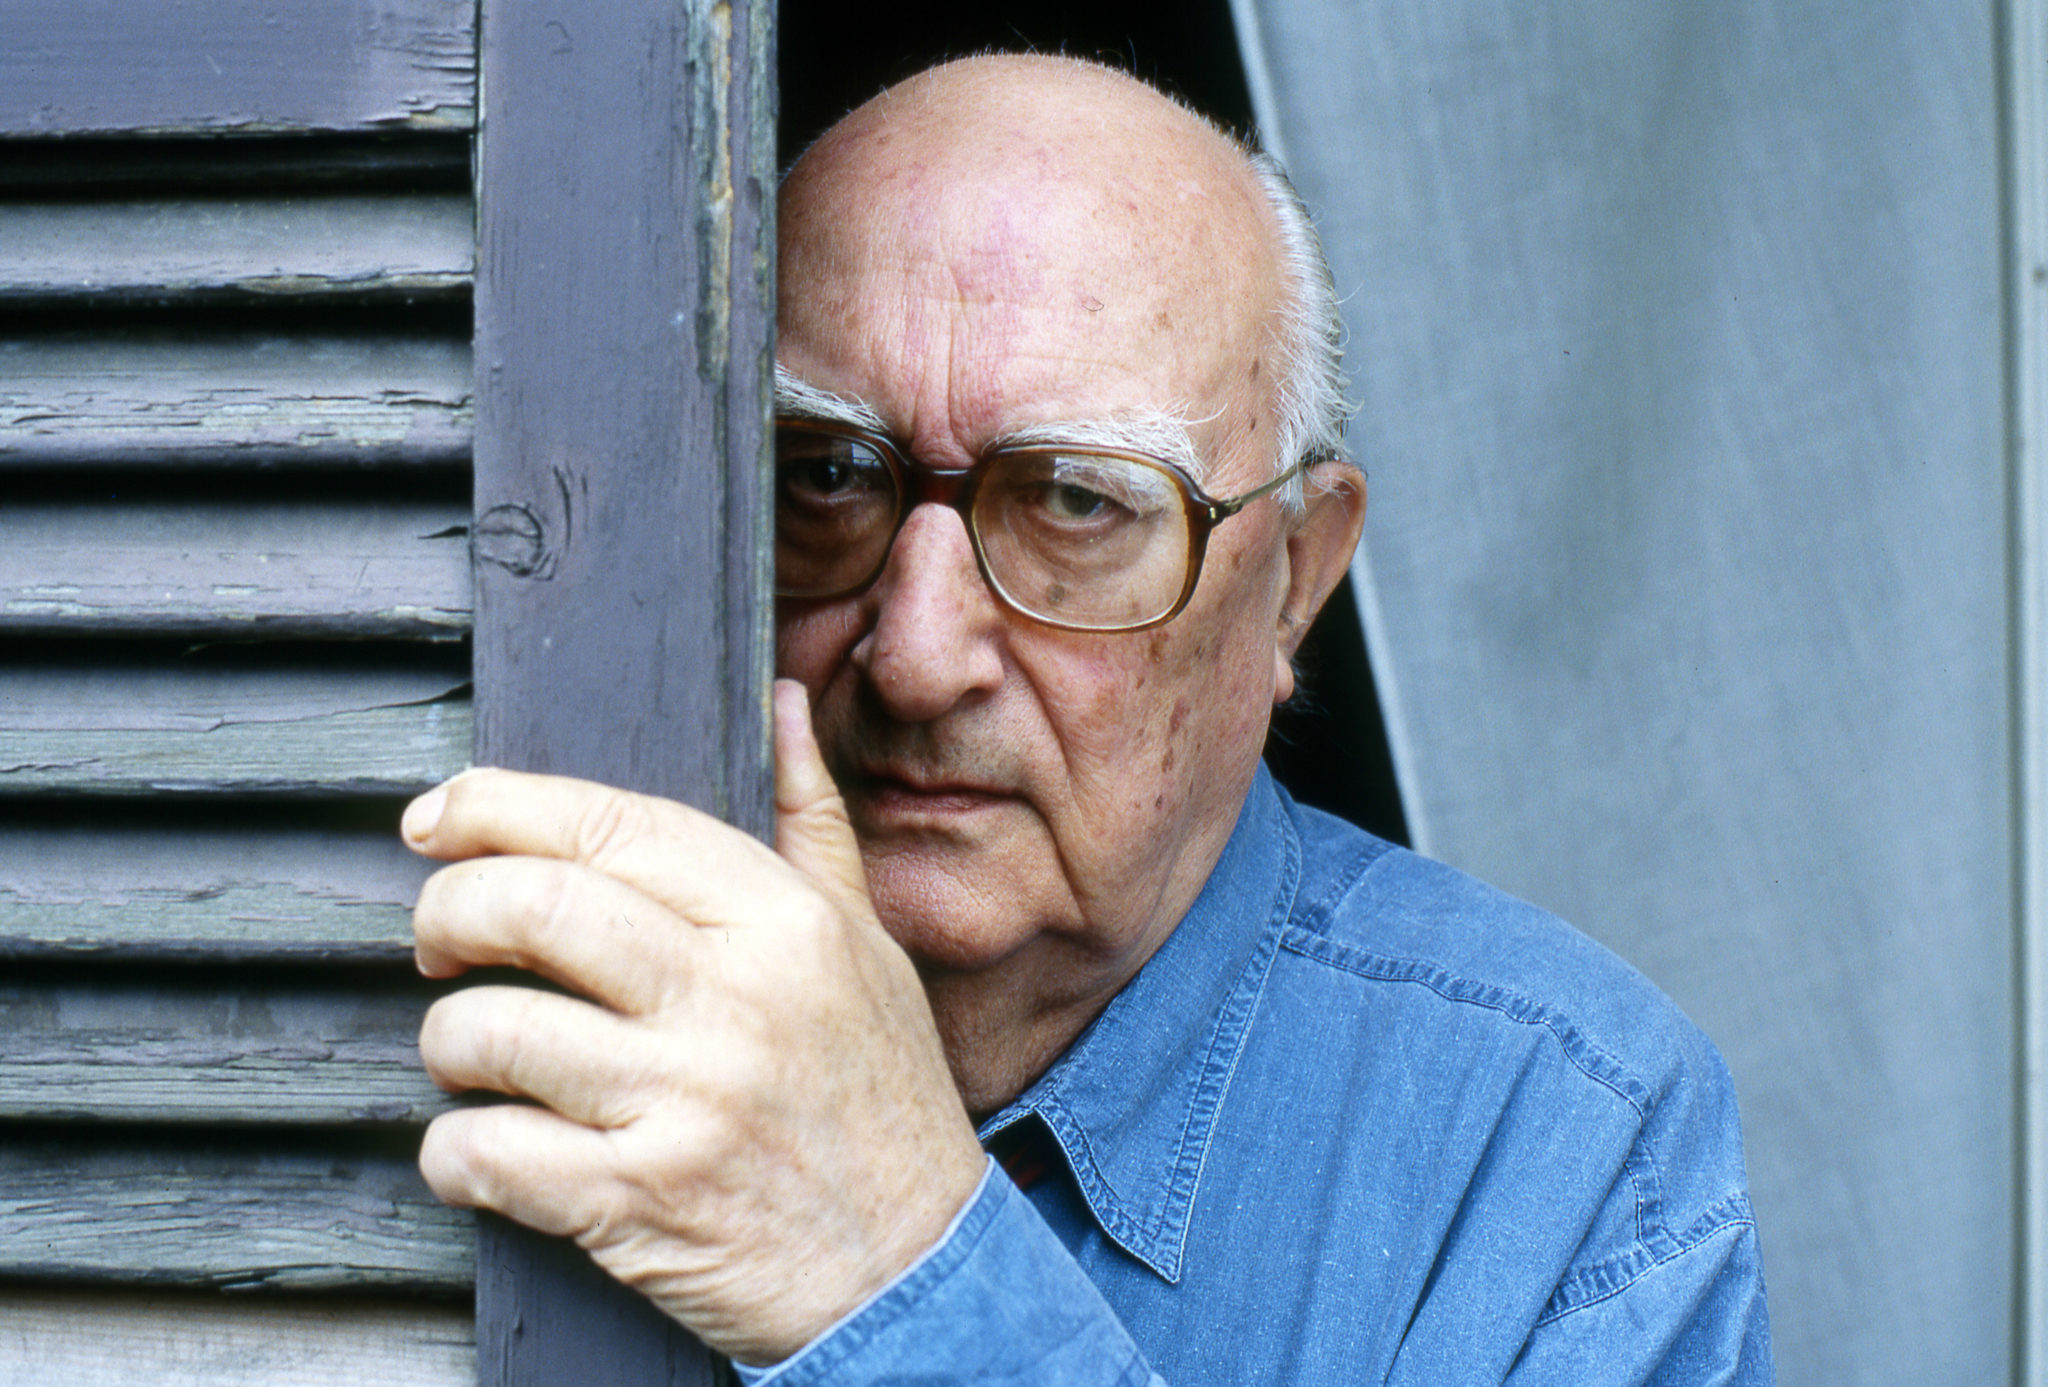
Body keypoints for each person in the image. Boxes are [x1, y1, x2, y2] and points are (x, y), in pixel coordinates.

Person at [399, 54, 1772, 1384]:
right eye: (825, 475)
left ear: (1295, 580)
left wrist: (900, 1266)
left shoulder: (1568, 1153)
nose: (916, 658)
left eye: (1075, 503)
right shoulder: (494, 969)